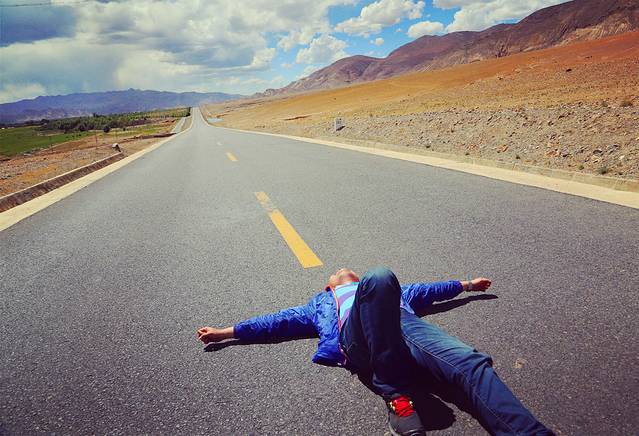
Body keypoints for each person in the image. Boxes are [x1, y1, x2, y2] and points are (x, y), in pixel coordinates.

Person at [198, 267, 554, 436]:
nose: (343, 269)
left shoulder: (395, 293)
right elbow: (275, 322)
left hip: (406, 328)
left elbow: (430, 290)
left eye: (348, 270)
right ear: (329, 286)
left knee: (470, 364)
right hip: (358, 341)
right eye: (337, 272)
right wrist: (226, 332)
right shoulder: (321, 304)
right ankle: (394, 390)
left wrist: (467, 285)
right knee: (381, 276)